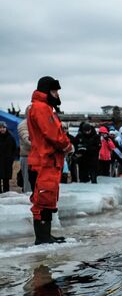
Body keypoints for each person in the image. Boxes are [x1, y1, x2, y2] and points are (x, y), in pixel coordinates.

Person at [27, 75, 73, 245]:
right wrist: (67, 146)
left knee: (47, 199)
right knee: (42, 200)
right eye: (54, 91)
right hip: (43, 161)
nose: (57, 94)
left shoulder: (43, 107)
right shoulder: (41, 108)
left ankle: (46, 235)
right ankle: (42, 237)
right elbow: (52, 134)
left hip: (46, 161)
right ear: (47, 91)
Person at [17, 106, 32, 192]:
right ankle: (27, 201)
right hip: (27, 157)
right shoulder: (23, 125)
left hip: (37, 157)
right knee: (28, 184)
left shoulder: (37, 123)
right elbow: (27, 140)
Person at [0, 121, 17, 193]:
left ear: (6, 128)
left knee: (6, 178)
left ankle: (6, 193)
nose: (2, 129)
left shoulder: (11, 137)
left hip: (7, 161)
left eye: (4, 127)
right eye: (0, 128)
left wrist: (11, 158)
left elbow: (14, 149)